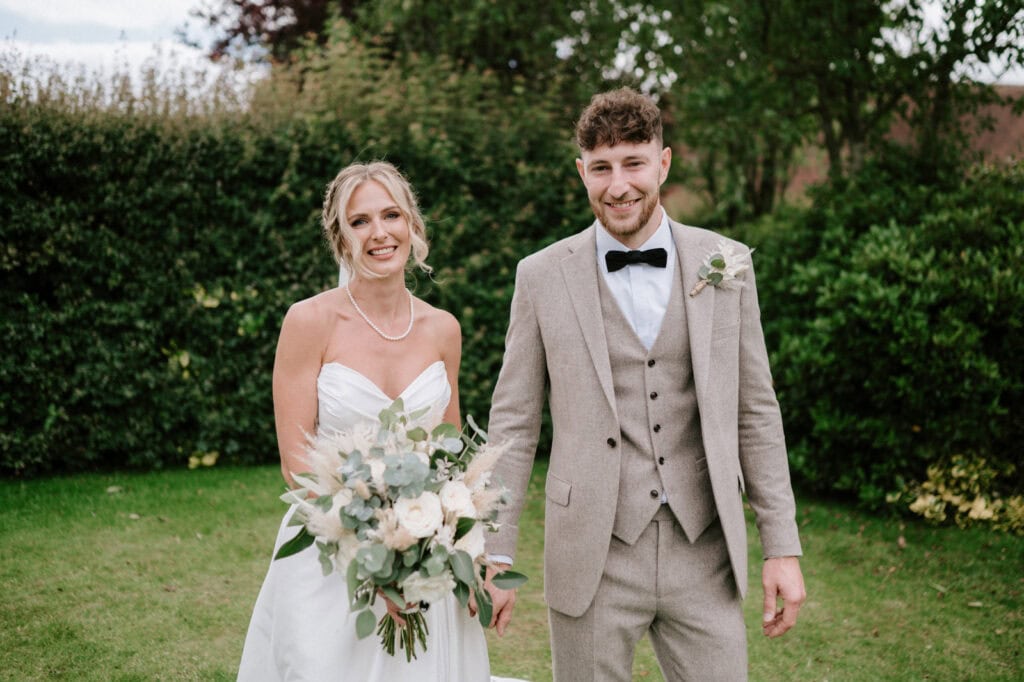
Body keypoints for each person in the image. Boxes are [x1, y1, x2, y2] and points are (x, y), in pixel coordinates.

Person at [483, 88, 806, 681]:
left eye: (634, 162)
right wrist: (496, 551)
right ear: (582, 172)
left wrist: (781, 546)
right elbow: (513, 423)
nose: (618, 184)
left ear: (664, 162)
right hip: (592, 554)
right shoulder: (540, 276)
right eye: (601, 168)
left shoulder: (726, 261)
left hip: (704, 549)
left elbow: (756, 410)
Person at [238, 161, 513, 681]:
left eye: (392, 215)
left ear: (412, 224)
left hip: (428, 555)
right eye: (359, 221)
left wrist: (470, 557)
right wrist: (377, 561)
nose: (380, 233)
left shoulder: (442, 329)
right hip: (331, 555)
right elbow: (298, 466)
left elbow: (451, 460)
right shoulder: (309, 322)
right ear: (340, 237)